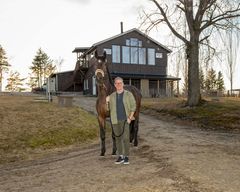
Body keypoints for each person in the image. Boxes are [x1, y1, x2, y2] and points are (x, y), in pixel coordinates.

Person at [106, 77, 136, 165]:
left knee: (126, 138)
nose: (119, 85)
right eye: (117, 83)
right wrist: (107, 102)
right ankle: (120, 156)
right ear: (115, 85)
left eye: (120, 83)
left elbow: (133, 106)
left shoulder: (128, 94)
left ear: (123, 84)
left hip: (126, 120)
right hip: (115, 120)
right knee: (118, 138)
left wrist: (130, 118)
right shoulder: (111, 96)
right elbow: (108, 109)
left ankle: (126, 156)